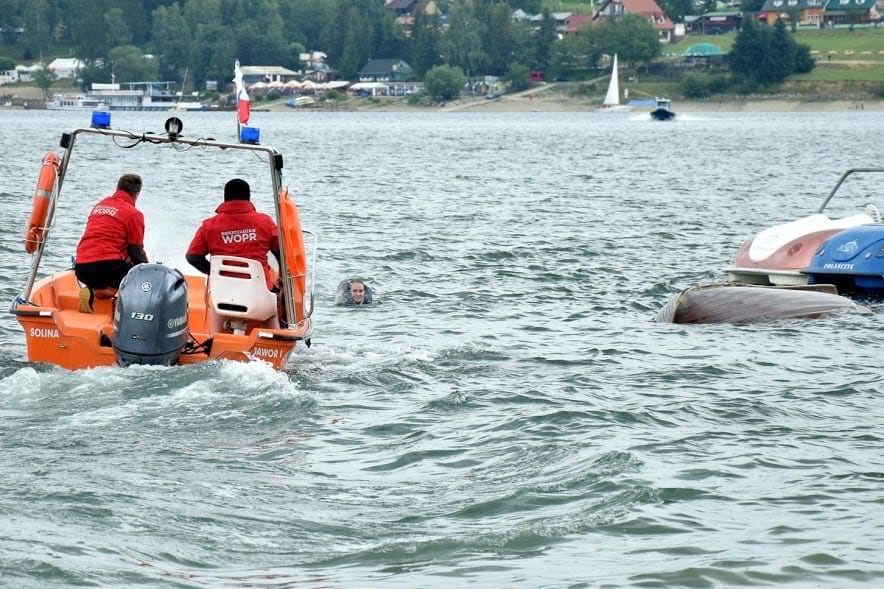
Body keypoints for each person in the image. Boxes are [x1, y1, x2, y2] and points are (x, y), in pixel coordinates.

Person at [186, 178, 281, 291]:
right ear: (248, 198)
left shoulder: (209, 226)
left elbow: (193, 257)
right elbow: (281, 252)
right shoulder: (265, 222)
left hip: (223, 294)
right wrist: (281, 276)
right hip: (260, 293)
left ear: (225, 198)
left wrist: (215, 272)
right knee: (277, 291)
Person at [74, 173, 148, 302]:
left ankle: (92, 290)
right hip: (107, 267)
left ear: (118, 188)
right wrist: (148, 271)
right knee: (136, 273)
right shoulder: (134, 214)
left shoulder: (100, 206)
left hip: (81, 267)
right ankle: (111, 298)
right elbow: (136, 250)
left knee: (114, 258)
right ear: (137, 194)